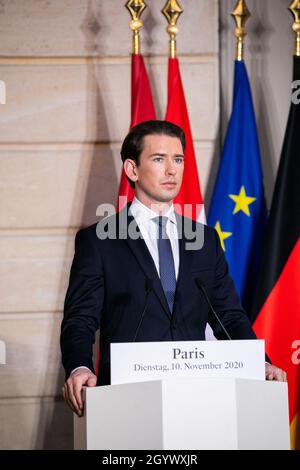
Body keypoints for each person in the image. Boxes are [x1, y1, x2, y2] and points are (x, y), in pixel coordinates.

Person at [61, 120, 286, 417]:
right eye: (159, 159)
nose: (172, 170)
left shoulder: (204, 240)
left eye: (178, 159)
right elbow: (80, 318)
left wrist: (261, 362)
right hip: (126, 398)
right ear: (132, 170)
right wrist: (80, 366)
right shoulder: (99, 241)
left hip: (198, 396)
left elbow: (229, 315)